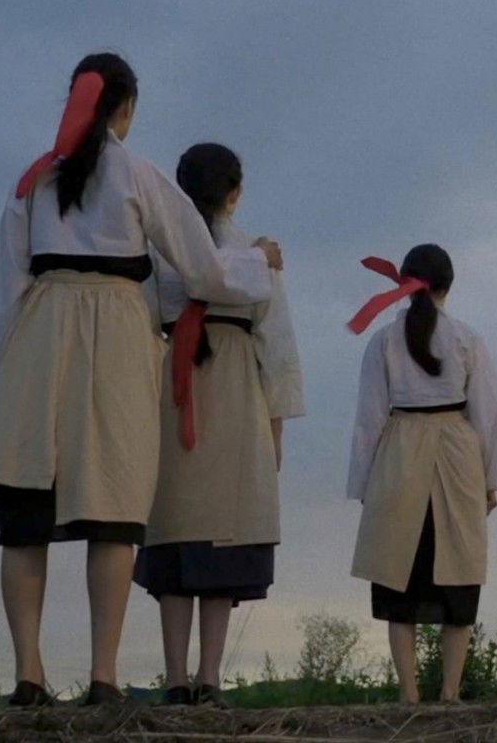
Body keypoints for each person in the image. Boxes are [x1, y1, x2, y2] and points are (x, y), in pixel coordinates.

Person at [0, 53, 283, 706]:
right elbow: (202, 271)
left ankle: (29, 675)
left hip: (39, 336)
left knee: (26, 514)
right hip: (115, 334)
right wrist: (258, 263)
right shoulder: (140, 175)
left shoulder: (35, 180)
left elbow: (1, 283)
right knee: (111, 508)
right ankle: (104, 677)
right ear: (127, 109)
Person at [134, 143, 303, 707]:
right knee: (207, 532)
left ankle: (178, 678)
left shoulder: (162, 250)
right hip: (229, 388)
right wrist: (276, 424)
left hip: (175, 386)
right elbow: (277, 344)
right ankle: (207, 677)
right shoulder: (253, 255)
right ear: (235, 192)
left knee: (180, 532)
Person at [344, 246, 497, 704]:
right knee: (459, 572)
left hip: (400, 453)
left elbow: (368, 420)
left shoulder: (383, 341)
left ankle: (409, 692)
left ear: (405, 283)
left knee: (400, 573)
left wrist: (364, 485)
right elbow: (488, 416)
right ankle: (450, 693)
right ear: (448, 285)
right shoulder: (467, 339)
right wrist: (490, 480)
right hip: (458, 453)